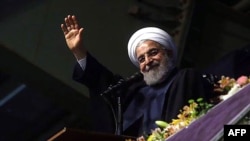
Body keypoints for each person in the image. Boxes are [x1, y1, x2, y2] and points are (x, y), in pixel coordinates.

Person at [61, 15, 215, 137]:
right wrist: (79, 51)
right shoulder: (134, 91)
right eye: (141, 59)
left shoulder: (184, 78)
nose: (148, 61)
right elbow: (102, 82)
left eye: (153, 53)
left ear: (168, 53)